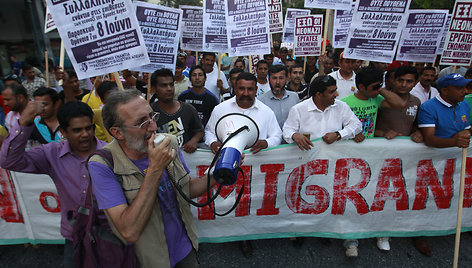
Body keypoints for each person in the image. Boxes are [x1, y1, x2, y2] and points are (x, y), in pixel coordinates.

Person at [88, 89, 216, 267]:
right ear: (117, 133)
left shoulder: (168, 142)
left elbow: (186, 190)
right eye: (142, 123)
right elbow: (128, 231)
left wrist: (218, 175)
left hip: (186, 250)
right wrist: (155, 168)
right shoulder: (102, 164)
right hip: (146, 261)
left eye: (152, 116)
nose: (154, 127)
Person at [1, 101, 105, 267]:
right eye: (77, 130)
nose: (85, 134)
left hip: (112, 235)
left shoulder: (110, 153)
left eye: (88, 128)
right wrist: (24, 122)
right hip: (75, 237)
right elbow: (9, 161)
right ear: (63, 131)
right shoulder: (51, 153)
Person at [205, 72, 282, 155]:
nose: (245, 93)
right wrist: (213, 143)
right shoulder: (220, 109)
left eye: (250, 89)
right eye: (241, 89)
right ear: (235, 88)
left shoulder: (267, 112)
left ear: (256, 89)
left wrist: (266, 143)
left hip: (257, 162)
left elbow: (277, 136)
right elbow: (209, 132)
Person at [283, 75, 361, 150]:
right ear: (319, 95)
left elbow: (357, 125)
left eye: (336, 90)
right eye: (332, 92)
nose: (336, 94)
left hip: (333, 157)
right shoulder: (298, 109)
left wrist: (339, 135)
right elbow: (287, 130)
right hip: (307, 158)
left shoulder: (341, 106)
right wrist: (294, 135)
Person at [342, 67, 406, 143]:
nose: (378, 90)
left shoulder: (377, 99)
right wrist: (352, 134)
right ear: (361, 87)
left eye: (380, 86)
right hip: (349, 144)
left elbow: (400, 104)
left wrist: (380, 89)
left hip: (369, 145)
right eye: (374, 87)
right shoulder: (344, 103)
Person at [150, 68, 204, 153]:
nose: (169, 89)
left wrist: (193, 141)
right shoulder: (149, 113)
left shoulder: (188, 109)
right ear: (153, 89)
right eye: (164, 85)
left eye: (171, 85)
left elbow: (200, 131)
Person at [375, 66, 423, 142]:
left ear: (415, 83)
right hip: (381, 145)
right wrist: (383, 133)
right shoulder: (380, 98)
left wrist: (417, 132)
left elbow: (413, 125)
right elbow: (367, 126)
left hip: (403, 148)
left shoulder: (416, 102)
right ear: (393, 80)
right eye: (400, 80)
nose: (404, 85)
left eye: (409, 81)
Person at [259, 65, 299, 129]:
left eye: (281, 78)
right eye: (274, 78)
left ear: (286, 79)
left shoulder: (294, 97)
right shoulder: (261, 101)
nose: (277, 82)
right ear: (269, 79)